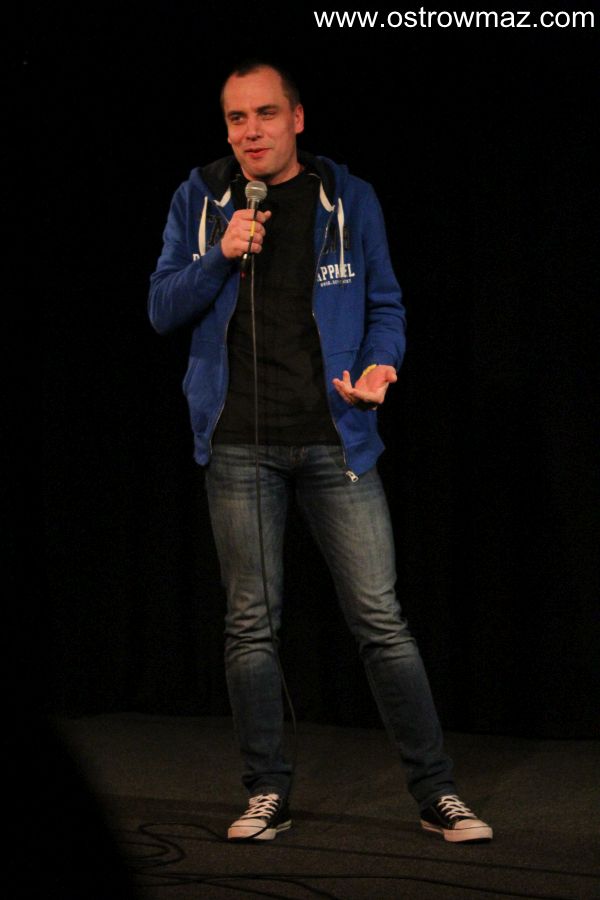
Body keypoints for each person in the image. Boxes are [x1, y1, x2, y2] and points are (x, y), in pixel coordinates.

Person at [148, 59, 493, 845]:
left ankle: (437, 792)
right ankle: (266, 791)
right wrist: (219, 253)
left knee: (381, 620)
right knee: (250, 626)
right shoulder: (200, 199)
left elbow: (385, 304)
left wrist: (381, 365)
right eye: (237, 118)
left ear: (297, 119)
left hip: (337, 439)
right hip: (239, 445)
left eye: (265, 113)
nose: (250, 132)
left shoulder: (349, 197)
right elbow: (161, 308)